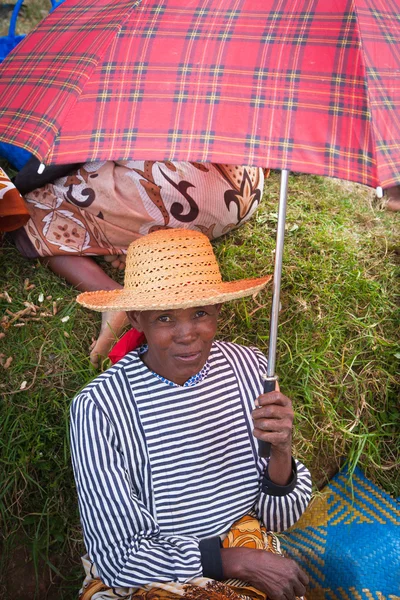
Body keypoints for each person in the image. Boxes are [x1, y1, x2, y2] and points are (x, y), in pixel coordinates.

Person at [71, 228, 312, 600]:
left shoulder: (251, 370)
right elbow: (116, 557)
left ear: (217, 309)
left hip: (245, 546)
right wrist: (233, 562)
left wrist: (281, 450)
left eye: (200, 312)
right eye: (165, 318)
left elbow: (279, 520)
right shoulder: (99, 408)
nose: (187, 334)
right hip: (153, 576)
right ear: (137, 319)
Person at [9, 159, 265, 366]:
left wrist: (19, 185)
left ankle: (112, 294)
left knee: (28, 210)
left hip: (183, 189)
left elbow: (63, 158)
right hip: (245, 187)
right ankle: (122, 236)